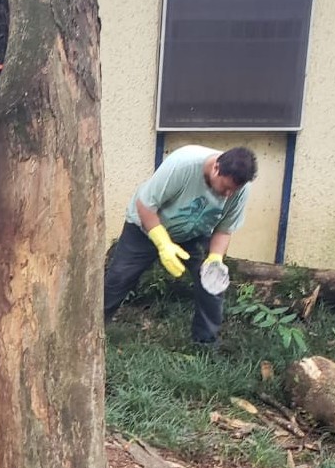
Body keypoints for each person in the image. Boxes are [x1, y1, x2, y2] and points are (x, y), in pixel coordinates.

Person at [103, 145, 258, 344]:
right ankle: (91, 332)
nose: (228, 194)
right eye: (226, 187)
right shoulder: (182, 165)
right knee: (119, 278)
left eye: (234, 190)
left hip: (194, 234)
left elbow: (224, 229)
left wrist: (215, 258)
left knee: (213, 282)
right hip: (146, 228)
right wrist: (163, 243)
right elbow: (145, 205)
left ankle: (205, 342)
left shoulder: (239, 189)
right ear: (216, 168)